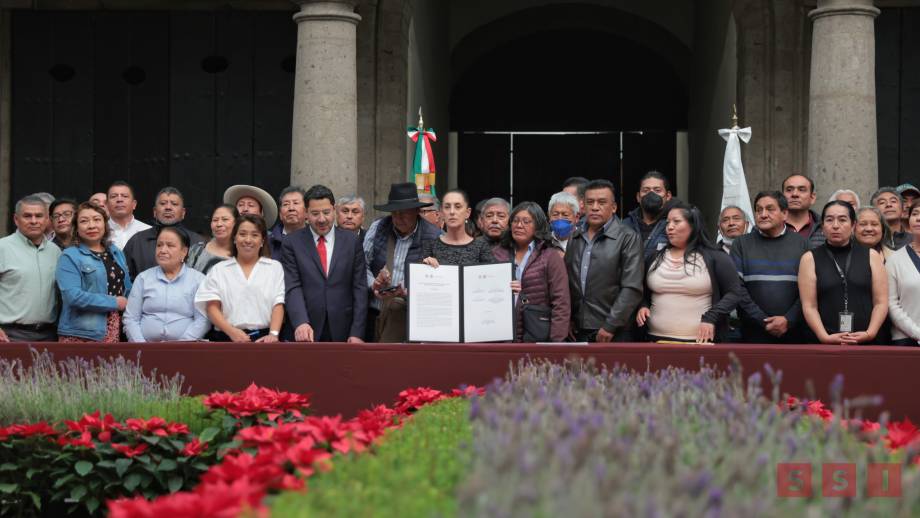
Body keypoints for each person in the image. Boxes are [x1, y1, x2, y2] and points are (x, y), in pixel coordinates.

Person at [635, 203, 741, 343]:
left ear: (693, 225)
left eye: (676, 222)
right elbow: (640, 290)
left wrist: (711, 317)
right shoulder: (653, 257)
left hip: (700, 343)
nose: (670, 227)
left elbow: (734, 293)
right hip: (655, 340)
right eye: (668, 222)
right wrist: (642, 305)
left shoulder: (716, 257)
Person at [282, 185, 367, 343]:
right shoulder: (291, 243)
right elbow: (292, 285)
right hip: (306, 329)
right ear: (306, 213)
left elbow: (360, 287)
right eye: (315, 213)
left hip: (344, 328)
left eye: (326, 212)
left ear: (334, 210)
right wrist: (300, 321)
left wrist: (357, 332)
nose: (321, 219)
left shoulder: (351, 241)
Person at [799, 201, 888, 345]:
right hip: (825, 341)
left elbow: (881, 302)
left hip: (867, 339)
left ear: (853, 225)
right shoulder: (810, 258)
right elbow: (809, 306)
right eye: (829, 220)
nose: (835, 225)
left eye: (842, 219)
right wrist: (824, 337)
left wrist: (870, 333)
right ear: (822, 226)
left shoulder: (871, 256)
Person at [565, 179, 643, 342]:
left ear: (614, 207)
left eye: (601, 202)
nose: (594, 207)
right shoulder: (575, 235)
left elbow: (631, 288)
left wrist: (610, 325)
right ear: (583, 206)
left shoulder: (627, 237)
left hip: (614, 330)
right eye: (590, 202)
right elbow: (568, 281)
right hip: (578, 328)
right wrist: (570, 318)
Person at [364, 182, 442, 342]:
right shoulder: (378, 227)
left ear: (416, 212)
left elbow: (439, 282)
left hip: (408, 318)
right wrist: (373, 284)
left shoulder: (435, 236)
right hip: (373, 313)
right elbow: (361, 265)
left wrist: (408, 290)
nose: (398, 218)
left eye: (404, 213)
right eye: (394, 213)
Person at [730, 191, 808, 343]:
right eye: (759, 210)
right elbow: (736, 288)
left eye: (770, 209)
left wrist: (789, 319)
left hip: (795, 333)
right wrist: (763, 320)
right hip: (752, 332)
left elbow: (810, 290)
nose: (763, 214)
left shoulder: (803, 244)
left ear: (785, 214)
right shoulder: (741, 244)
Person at [195, 214, 285, 342]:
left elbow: (278, 303)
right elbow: (212, 307)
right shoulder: (219, 270)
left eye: (255, 235)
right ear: (234, 238)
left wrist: (274, 334)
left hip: (265, 339)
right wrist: (231, 331)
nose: (248, 240)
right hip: (226, 338)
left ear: (262, 241)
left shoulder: (274, 268)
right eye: (242, 234)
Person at [492, 202, 570, 342]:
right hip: (501, 334)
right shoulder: (497, 253)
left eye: (526, 221)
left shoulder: (550, 256)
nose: (519, 225)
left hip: (537, 335)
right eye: (515, 220)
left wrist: (557, 342)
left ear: (538, 226)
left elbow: (561, 301)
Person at [56, 202, 131, 343]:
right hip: (80, 332)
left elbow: (127, 289)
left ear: (105, 225)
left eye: (97, 220)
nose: (91, 225)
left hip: (114, 328)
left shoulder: (116, 252)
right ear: (76, 228)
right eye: (84, 221)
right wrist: (114, 302)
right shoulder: (70, 256)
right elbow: (73, 296)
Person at [123, 227, 209, 342]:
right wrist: (141, 346)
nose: (163, 250)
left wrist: (182, 345)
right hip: (145, 349)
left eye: (170, 245)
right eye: (159, 245)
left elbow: (203, 320)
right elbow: (131, 318)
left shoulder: (198, 280)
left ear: (184, 251)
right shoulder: (143, 278)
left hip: (186, 349)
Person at [0, 195, 61, 342]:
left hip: (49, 335)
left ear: (47, 220)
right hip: (10, 335)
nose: (34, 221)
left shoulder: (56, 251)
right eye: (27, 216)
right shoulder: (2, 247)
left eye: (39, 216)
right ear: (16, 219)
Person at [123, 187, 204, 280]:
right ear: (154, 212)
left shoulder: (196, 242)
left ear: (183, 213)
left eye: (174, 204)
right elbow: (125, 279)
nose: (168, 207)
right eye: (163, 203)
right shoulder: (137, 241)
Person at [421, 190, 495, 267]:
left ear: (468, 212)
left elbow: (491, 275)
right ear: (441, 213)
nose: (452, 212)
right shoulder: (430, 245)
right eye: (447, 207)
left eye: (458, 207)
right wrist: (426, 266)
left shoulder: (481, 246)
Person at [623, 171, 680, 259]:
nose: (651, 194)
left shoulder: (677, 226)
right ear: (638, 197)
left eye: (657, 190)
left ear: (668, 196)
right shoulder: (624, 226)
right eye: (646, 190)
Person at [887, 200, 920, 346]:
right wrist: (917, 333)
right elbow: (891, 304)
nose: (918, 218)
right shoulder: (895, 260)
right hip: (905, 339)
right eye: (915, 213)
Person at [188, 205, 235, 274]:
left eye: (225, 219)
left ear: (236, 223)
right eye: (215, 220)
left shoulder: (241, 256)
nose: (219, 224)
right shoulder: (197, 250)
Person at [782, 174, 825, 249]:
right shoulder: (769, 227)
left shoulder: (825, 227)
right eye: (789, 190)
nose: (794, 194)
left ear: (812, 198)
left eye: (801, 190)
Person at [106, 181, 152, 249]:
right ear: (107, 204)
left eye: (125, 196)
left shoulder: (148, 231)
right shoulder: (99, 231)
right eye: (114, 196)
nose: (119, 199)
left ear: (134, 204)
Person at [269, 186, 307, 260]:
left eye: (296, 203)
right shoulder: (269, 242)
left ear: (306, 212)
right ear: (280, 214)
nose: (291, 208)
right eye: (286, 204)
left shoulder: (316, 239)